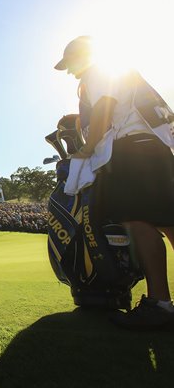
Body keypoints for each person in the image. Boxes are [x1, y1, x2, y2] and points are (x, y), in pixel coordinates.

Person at [55, 36, 174, 329]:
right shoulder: (123, 70)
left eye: (70, 64)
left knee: (137, 221)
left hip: (133, 149)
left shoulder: (98, 73)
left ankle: (160, 305)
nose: (70, 71)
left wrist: (88, 146)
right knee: (169, 223)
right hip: (157, 147)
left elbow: (104, 109)